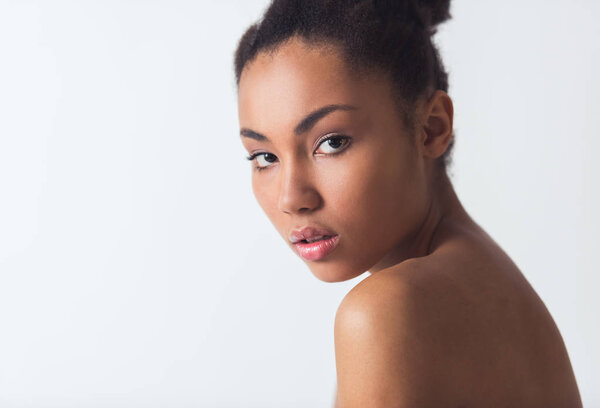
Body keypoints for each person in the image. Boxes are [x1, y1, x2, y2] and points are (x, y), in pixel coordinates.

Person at [233, 0, 582, 406]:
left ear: (431, 127)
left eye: (331, 143)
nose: (292, 198)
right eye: (265, 157)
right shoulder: (490, 282)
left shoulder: (384, 312)